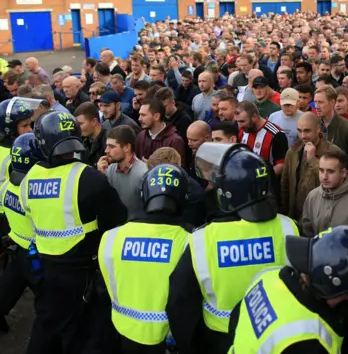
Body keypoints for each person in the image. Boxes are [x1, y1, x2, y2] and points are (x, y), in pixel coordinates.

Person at [166, 143, 300, 354]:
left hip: (220, 338)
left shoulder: (203, 238)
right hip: (278, 335)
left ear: (227, 193)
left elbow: (179, 301)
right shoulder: (288, 227)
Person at [21, 110, 127, 353]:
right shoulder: (87, 177)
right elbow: (117, 217)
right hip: (80, 273)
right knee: (80, 335)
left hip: (44, 268)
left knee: (46, 327)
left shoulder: (31, 177)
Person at [227, 225, 348, 354]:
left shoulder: (269, 277)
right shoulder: (308, 339)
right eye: (345, 293)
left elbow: (235, 319)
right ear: (328, 285)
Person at [98, 164, 190, 354]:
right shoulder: (190, 241)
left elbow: (104, 287)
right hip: (169, 338)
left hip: (123, 330)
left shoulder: (111, 237)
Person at [0, 133, 43, 332]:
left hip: (16, 251)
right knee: (49, 308)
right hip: (37, 257)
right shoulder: (36, 193)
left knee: (4, 296)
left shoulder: (6, 187)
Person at [0, 97, 43, 182]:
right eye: (24, 125)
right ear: (10, 129)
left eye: (30, 124)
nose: (30, 129)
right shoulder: (18, 158)